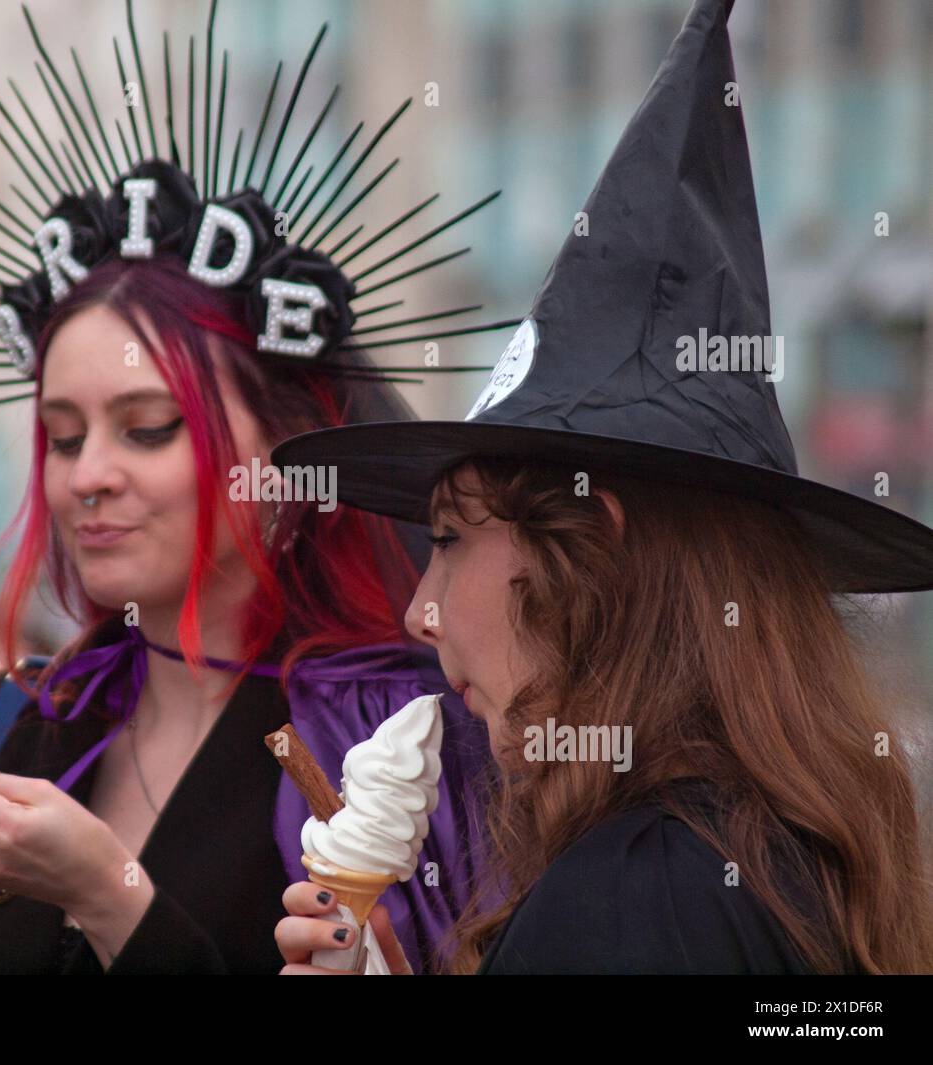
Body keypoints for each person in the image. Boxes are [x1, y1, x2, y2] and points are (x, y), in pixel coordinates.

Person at [0, 0, 506, 975]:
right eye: (61, 437)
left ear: (285, 456)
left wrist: (111, 898)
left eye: (146, 429)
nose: (88, 477)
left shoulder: (390, 752)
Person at [271, 0, 933, 974]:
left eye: (451, 538)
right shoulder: (770, 851)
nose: (419, 607)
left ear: (591, 546)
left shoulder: (630, 897)